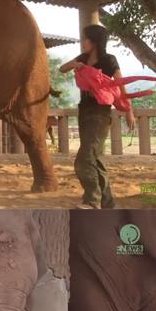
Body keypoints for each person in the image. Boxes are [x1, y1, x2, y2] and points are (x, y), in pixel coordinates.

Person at [59, 24, 135, 209]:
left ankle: (92, 200)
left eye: (86, 38)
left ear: (94, 41)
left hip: (100, 112)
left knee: (84, 159)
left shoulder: (109, 60)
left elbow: (121, 84)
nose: (83, 42)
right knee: (95, 157)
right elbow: (62, 69)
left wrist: (129, 111)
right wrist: (75, 65)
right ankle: (108, 202)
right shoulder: (83, 58)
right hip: (84, 109)